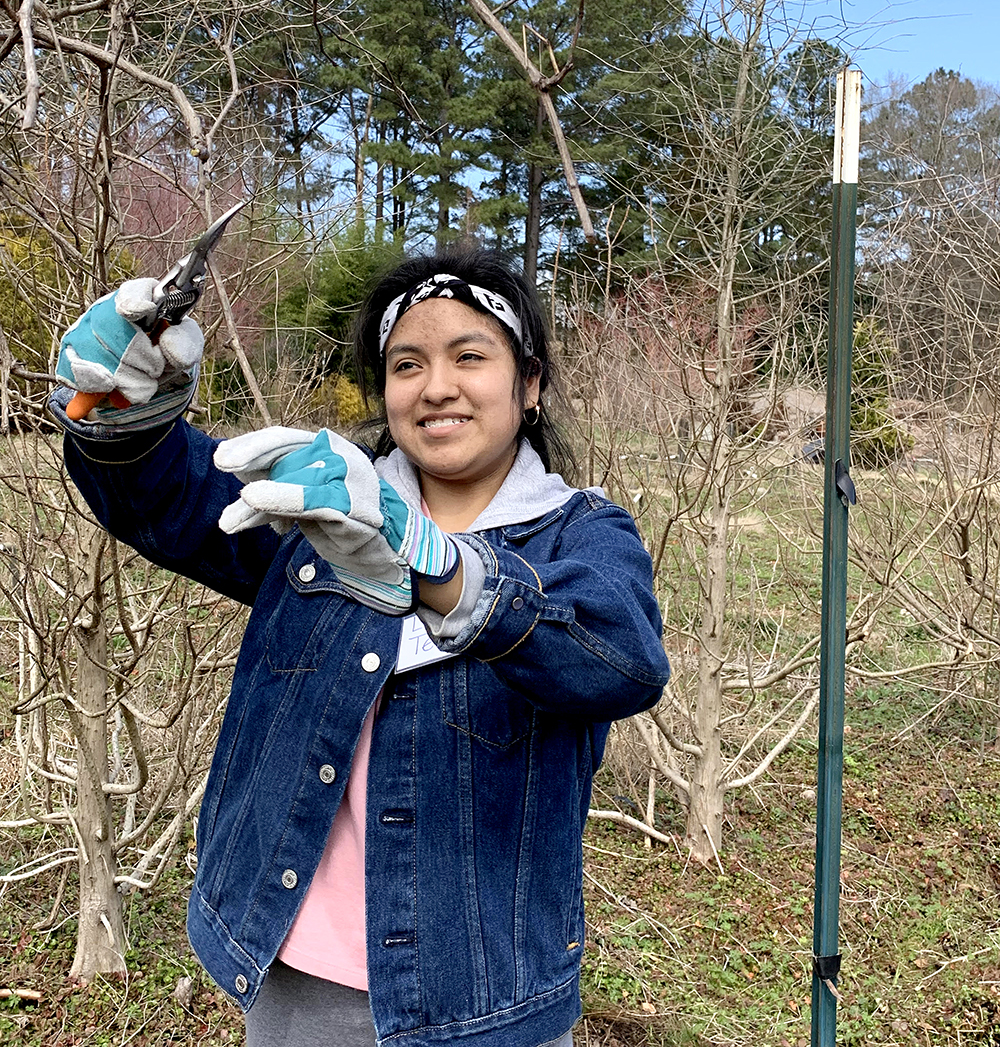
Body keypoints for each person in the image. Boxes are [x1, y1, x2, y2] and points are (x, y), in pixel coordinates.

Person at [51, 244, 670, 1047]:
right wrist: (119, 412)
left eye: (469, 355)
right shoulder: (330, 507)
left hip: (483, 1000)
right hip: (294, 971)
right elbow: (175, 499)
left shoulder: (580, 534)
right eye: (406, 362)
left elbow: (621, 658)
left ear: (530, 383)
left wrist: (441, 567)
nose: (436, 385)